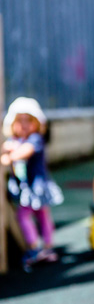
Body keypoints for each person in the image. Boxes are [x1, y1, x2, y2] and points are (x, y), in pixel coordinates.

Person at [1, 97, 63, 271]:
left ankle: (37, 247)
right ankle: (45, 247)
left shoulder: (35, 139)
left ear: (38, 123)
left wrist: (8, 157)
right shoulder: (15, 140)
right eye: (19, 121)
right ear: (12, 124)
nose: (24, 125)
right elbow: (8, 146)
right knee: (39, 215)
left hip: (37, 186)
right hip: (27, 188)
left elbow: (24, 152)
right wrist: (7, 149)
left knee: (27, 215)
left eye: (29, 120)